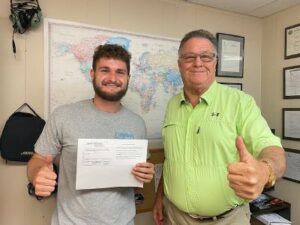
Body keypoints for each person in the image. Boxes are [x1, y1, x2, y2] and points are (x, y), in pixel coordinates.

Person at [152, 29, 286, 225]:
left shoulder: (240, 103)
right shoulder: (172, 105)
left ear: (215, 62)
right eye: (189, 57)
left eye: (206, 56)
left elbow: (273, 149)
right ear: (179, 64)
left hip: (227, 220)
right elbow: (171, 159)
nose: (198, 63)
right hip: (175, 217)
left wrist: (265, 171)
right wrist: (159, 197)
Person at [27, 44, 155, 225]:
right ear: (92, 74)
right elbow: (38, 160)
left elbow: (139, 172)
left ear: (128, 78)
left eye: (120, 72)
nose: (113, 78)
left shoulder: (137, 123)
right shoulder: (64, 115)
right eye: (105, 70)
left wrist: (145, 172)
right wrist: (36, 175)